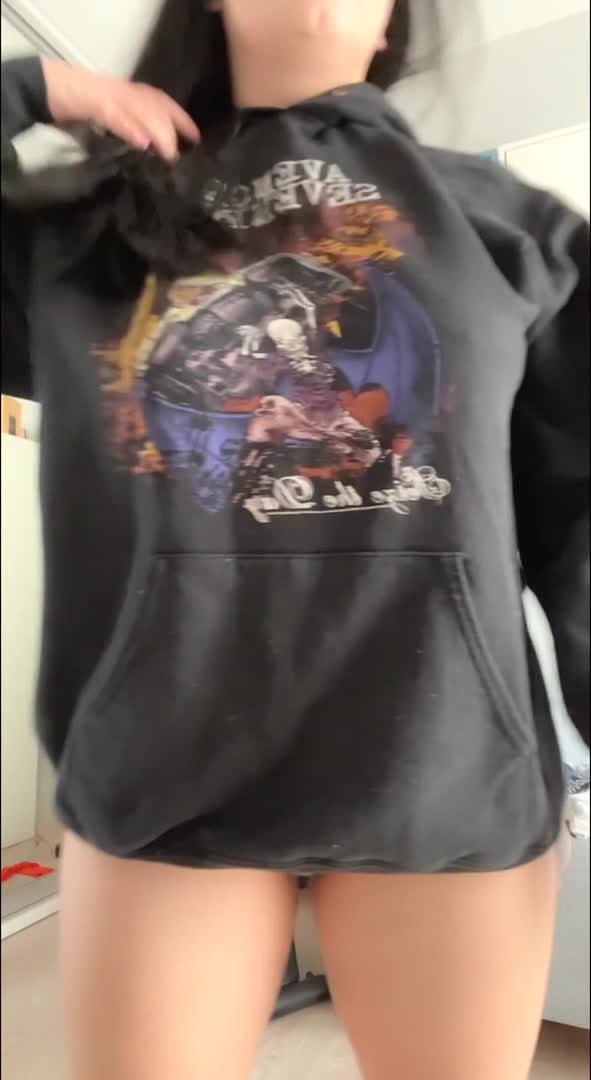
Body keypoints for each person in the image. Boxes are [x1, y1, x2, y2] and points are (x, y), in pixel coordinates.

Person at [1, 2, 588, 1078]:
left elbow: (581, 510)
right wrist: (35, 89)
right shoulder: (85, 226)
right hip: (164, 770)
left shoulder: (511, 227)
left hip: (440, 768)